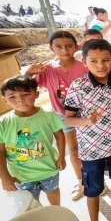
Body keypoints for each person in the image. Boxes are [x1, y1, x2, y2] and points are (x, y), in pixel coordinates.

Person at [63, 39, 111, 221]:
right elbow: (68, 120)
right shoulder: (78, 86)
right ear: (85, 62)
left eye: (105, 60)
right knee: (93, 187)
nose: (100, 65)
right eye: (94, 61)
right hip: (90, 149)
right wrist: (87, 120)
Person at [24, 31, 90, 200]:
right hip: (62, 116)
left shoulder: (84, 66)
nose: (64, 50)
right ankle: (81, 180)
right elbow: (23, 89)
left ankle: (94, 178)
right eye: (58, 47)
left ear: (75, 47)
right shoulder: (46, 69)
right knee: (74, 149)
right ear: (51, 48)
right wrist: (29, 73)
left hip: (86, 115)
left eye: (69, 46)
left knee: (90, 148)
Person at [0, 76, 66, 205]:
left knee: (53, 192)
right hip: (21, 176)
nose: (20, 100)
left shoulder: (48, 115)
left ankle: (56, 211)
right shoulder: (3, 123)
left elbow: (59, 135)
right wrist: (4, 176)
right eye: (12, 96)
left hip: (48, 169)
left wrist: (61, 157)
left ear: (36, 94)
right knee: (30, 204)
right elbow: (0, 151)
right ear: (5, 100)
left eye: (26, 94)